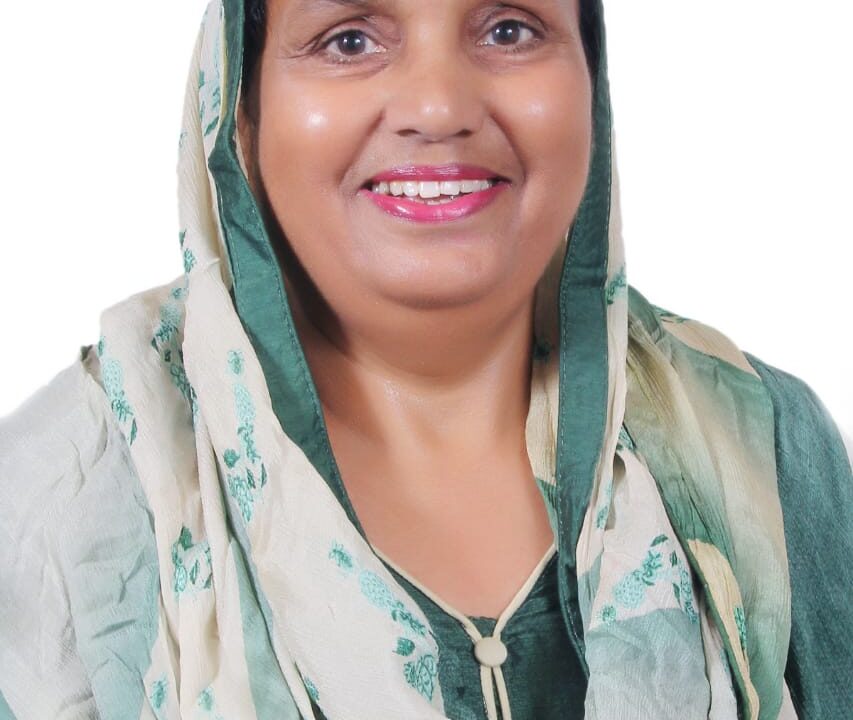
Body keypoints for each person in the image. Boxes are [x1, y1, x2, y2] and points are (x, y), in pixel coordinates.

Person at [1, 0, 850, 718]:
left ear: (590, 82)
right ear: (239, 104)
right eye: (348, 40)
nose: (438, 107)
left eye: (509, 29)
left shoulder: (759, 444)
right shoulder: (62, 499)